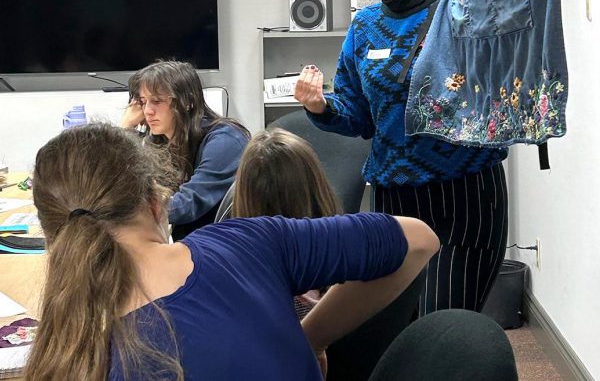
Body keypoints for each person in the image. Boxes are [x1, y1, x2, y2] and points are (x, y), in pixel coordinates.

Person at [294, 0, 577, 316]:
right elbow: (358, 117)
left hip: (466, 197)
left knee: (442, 321)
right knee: (394, 328)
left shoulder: (464, 9)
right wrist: (320, 107)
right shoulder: (365, 26)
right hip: (394, 201)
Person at [23, 123, 439, 380]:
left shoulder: (74, 353)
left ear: (51, 237)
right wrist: (310, 337)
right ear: (156, 200)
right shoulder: (248, 240)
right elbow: (418, 239)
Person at [231, 128, 428, 381]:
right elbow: (422, 241)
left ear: (244, 197)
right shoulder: (353, 258)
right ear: (317, 185)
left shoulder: (257, 291)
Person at [120, 60, 250, 241]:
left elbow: (187, 204)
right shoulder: (161, 141)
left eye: (157, 101)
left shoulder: (226, 140)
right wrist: (126, 128)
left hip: (224, 249)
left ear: (187, 101)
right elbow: (131, 186)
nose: (148, 111)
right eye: (143, 102)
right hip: (194, 245)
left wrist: (126, 213)